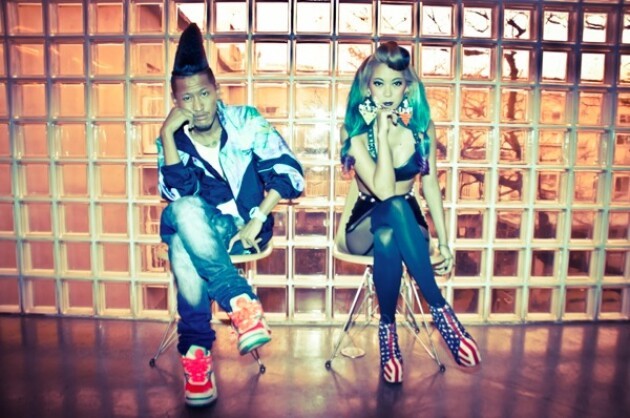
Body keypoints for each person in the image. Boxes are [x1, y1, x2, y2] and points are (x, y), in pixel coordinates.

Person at [156, 23, 304, 406]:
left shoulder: (245, 121)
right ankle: (239, 301)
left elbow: (289, 171)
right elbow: (177, 195)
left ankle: (197, 355)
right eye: (188, 98)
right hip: (206, 226)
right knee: (184, 212)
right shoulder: (174, 139)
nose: (199, 106)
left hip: (246, 226)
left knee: (181, 244)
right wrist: (168, 137)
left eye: (204, 94)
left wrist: (258, 218)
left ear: (216, 90)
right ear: (176, 102)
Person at [340, 42, 481, 384]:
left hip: (406, 222)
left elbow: (430, 186)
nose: (388, 93)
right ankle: (441, 311)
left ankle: (387, 334)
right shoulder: (354, 130)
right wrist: (380, 132)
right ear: (366, 87)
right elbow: (384, 192)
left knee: (390, 234)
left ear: (408, 87)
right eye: (379, 83)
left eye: (396, 83)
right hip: (364, 222)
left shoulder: (421, 128)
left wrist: (445, 243)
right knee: (393, 206)